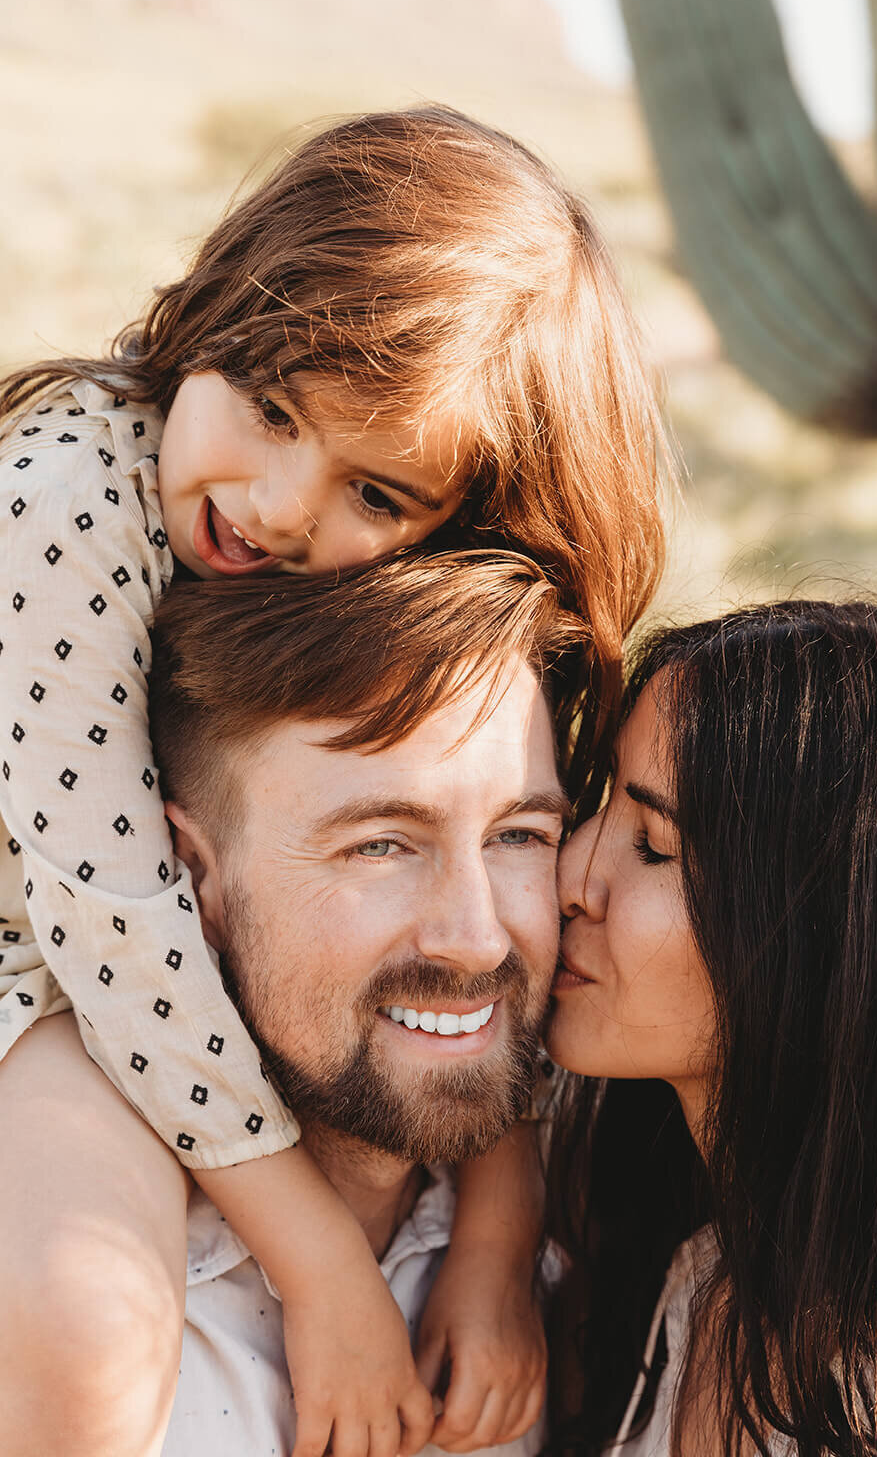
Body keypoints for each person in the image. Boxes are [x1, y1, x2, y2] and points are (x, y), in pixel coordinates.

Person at [0, 105, 667, 1457]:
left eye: (378, 495)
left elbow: (472, 960)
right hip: (48, 955)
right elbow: (114, 925)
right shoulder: (68, 489)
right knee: (85, 1326)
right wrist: (324, 1275)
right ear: (225, 305)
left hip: (129, 942)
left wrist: (493, 1240)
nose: (287, 508)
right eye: (272, 409)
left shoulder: (342, 586)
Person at [11, 548, 581, 1456]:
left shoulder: (590, 1243)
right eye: (380, 846)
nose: (477, 938)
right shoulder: (67, 1302)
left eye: (519, 834)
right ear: (188, 879)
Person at [545, 602, 877, 1457]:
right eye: (599, 805)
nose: (570, 875)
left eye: (650, 844)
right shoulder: (694, 1288)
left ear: (835, 941)